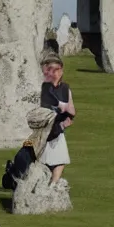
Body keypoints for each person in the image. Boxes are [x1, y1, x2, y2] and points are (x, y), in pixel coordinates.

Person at [38, 54, 74, 185]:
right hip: (42, 129)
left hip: (57, 128)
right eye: (50, 69)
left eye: (57, 69)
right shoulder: (41, 88)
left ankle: (53, 185)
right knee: (40, 160)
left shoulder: (65, 89)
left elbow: (71, 110)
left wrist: (67, 118)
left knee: (60, 159)